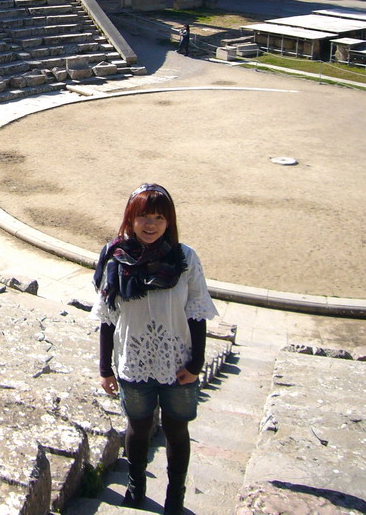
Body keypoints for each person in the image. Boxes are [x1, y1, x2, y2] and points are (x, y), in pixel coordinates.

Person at [92, 184, 217, 513]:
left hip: (178, 361)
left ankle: (175, 495)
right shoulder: (115, 259)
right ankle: (136, 486)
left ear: (169, 221)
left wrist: (197, 363)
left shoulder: (185, 258)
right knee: (138, 426)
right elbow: (107, 318)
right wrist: (105, 369)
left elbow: (197, 312)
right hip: (132, 360)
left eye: (159, 217)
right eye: (144, 216)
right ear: (130, 218)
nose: (151, 224)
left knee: (177, 429)